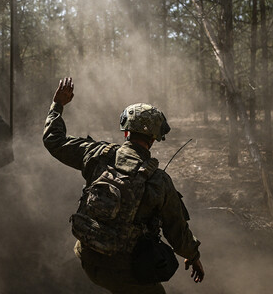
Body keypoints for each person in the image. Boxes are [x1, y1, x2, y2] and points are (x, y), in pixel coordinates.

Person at [43, 77, 204, 294]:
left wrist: (58, 105)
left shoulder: (97, 154)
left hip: (88, 257)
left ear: (126, 131)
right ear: (154, 139)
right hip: (125, 271)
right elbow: (176, 230)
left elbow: (54, 141)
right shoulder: (159, 181)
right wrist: (193, 256)